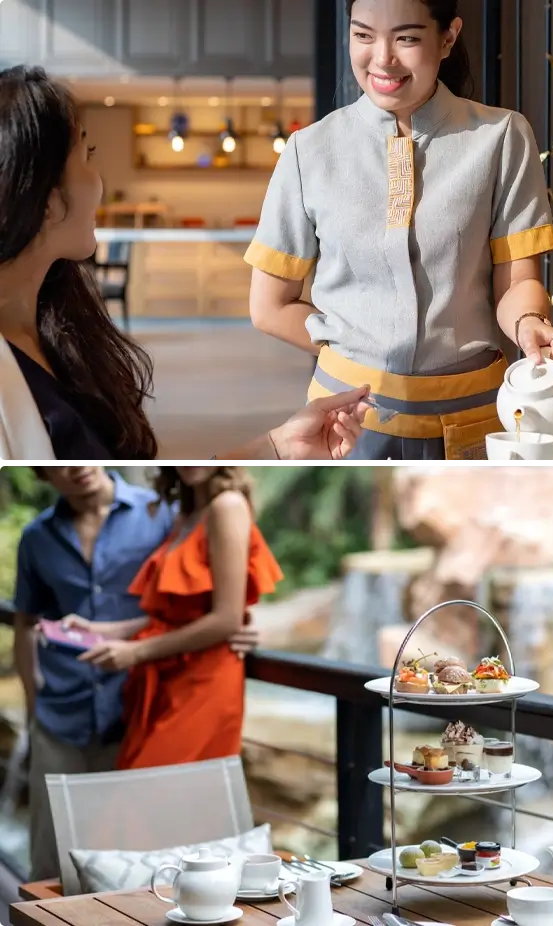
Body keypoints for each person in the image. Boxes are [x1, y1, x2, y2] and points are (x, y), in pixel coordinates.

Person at [246, 0, 553, 464]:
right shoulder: (308, 150)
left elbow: (518, 282)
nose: (381, 58)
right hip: (344, 424)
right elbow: (269, 306)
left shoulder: (502, 137)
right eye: (363, 35)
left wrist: (530, 326)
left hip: (476, 420)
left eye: (406, 38)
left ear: (448, 37)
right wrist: (354, 344)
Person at [0, 65, 370, 464]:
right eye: (87, 156)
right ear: (49, 202)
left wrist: (279, 447)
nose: (100, 179)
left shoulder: (58, 328)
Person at [11, 465, 263, 880]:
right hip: (65, 712)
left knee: (136, 840)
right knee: (53, 858)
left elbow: (217, 603)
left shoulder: (161, 511)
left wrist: (244, 624)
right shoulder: (39, 536)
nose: (77, 464)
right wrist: (35, 704)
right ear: (42, 472)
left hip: (138, 702)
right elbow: (26, 622)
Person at [64, 465, 282, 771]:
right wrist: (104, 630)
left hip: (205, 680)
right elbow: (175, 616)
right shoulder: (186, 514)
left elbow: (227, 619)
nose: (191, 456)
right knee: (152, 797)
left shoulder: (227, 506)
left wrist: (135, 652)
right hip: (169, 676)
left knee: (145, 796)